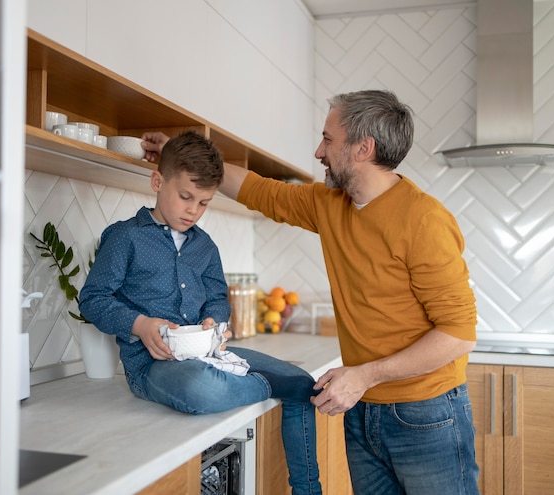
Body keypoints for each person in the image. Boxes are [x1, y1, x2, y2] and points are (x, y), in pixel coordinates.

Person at [143, 90, 480, 495]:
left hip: (426, 414)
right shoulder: (331, 204)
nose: (319, 151)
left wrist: (365, 376)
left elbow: (459, 334)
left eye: (328, 139)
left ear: (363, 148)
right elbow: (257, 190)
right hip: (363, 408)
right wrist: (177, 156)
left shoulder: (423, 219)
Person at [79, 130, 322, 495]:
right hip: (151, 366)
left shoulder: (205, 246)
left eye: (204, 202)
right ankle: (272, 386)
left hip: (212, 354)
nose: (193, 210)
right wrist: (140, 324)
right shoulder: (125, 237)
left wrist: (216, 321)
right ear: (158, 181)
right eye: (186, 197)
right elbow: (93, 298)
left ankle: (308, 490)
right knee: (200, 390)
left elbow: (217, 298)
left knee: (304, 381)